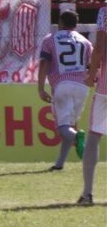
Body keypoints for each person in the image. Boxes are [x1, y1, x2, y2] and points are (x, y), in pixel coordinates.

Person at [38, 10, 93, 172]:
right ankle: (59, 164)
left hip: (62, 85)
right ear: (76, 24)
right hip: (82, 86)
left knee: (63, 128)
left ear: (60, 22)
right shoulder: (85, 41)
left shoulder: (50, 39)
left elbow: (45, 64)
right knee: (67, 126)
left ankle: (78, 137)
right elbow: (91, 65)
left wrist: (41, 88)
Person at [79, 5, 106, 205]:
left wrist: (91, 75)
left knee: (94, 135)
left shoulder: (105, 11)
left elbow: (100, 46)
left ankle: (87, 193)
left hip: (105, 87)